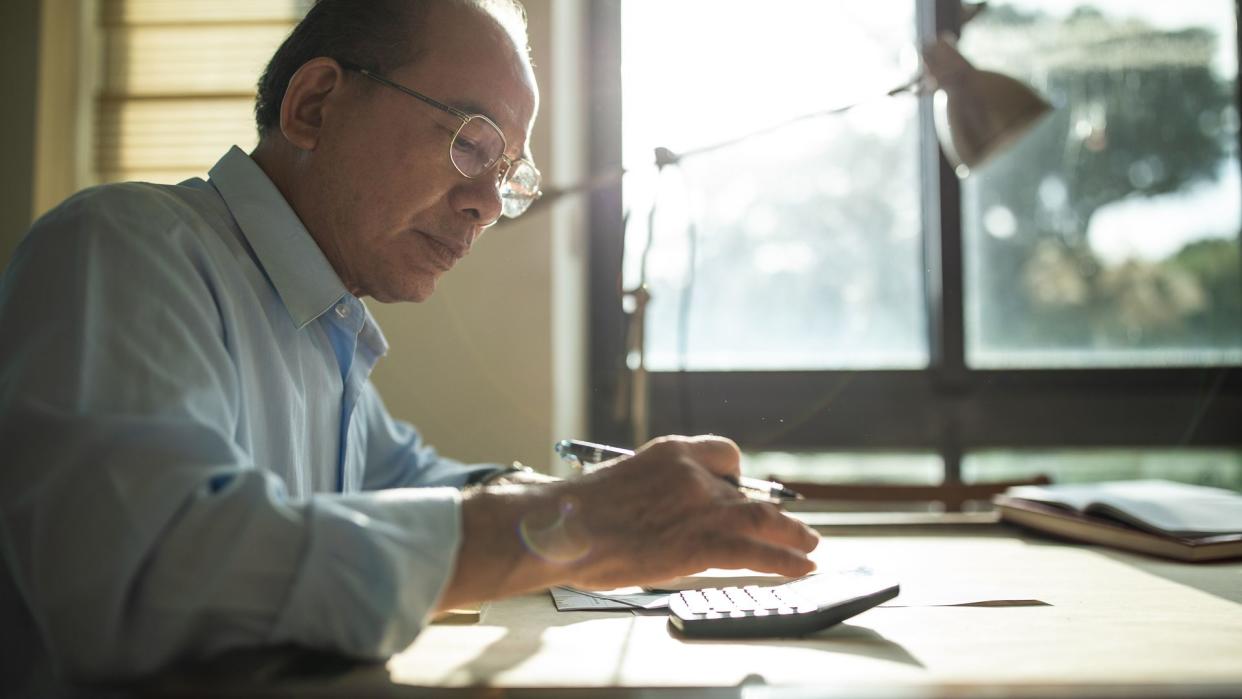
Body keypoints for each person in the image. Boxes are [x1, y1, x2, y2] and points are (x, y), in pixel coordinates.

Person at [0, 0, 818, 692]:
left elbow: (417, 481)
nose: (488, 204)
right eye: (471, 142)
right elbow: (145, 579)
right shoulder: (126, 249)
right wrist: (582, 522)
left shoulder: (322, 327)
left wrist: (619, 504)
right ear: (315, 105)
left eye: (509, 173)